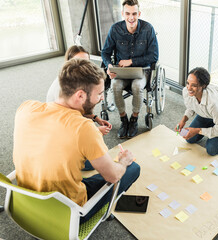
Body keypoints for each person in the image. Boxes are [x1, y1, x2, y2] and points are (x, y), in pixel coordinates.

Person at [13, 58, 141, 222]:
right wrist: (123, 161)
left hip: (27, 204)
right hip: (67, 214)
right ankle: (106, 211)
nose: (102, 98)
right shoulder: (84, 128)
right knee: (132, 168)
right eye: (100, 94)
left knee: (82, 174)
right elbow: (113, 176)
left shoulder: (26, 108)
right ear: (80, 95)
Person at [101, 0, 159, 139]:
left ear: (139, 13)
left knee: (137, 86)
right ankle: (124, 120)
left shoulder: (148, 29)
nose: (131, 17)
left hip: (140, 72)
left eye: (134, 13)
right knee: (115, 86)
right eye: (127, 13)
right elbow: (105, 52)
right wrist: (109, 65)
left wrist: (131, 61)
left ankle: (134, 119)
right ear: (123, 14)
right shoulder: (115, 29)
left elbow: (154, 55)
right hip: (121, 73)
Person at [46, 45, 112, 136]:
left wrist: (95, 118)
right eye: (79, 62)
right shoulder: (62, 88)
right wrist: (95, 132)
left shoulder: (76, 82)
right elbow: (70, 126)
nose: (84, 66)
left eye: (87, 62)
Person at [175, 67, 218, 156]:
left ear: (203, 86)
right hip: (206, 113)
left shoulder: (213, 102)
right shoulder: (186, 91)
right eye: (188, 83)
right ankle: (212, 125)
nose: (189, 88)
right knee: (189, 139)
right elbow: (191, 107)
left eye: (194, 85)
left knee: (211, 150)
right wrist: (183, 120)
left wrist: (197, 130)